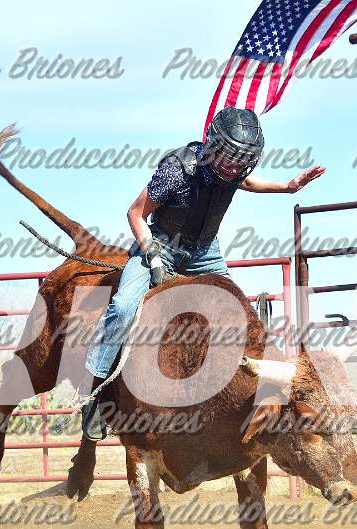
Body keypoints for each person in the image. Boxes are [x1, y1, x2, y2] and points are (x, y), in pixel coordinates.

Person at [66, 106, 325, 498]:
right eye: (228, 158)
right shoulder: (178, 169)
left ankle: (256, 393)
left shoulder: (233, 172)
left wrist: (288, 187)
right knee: (123, 306)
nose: (232, 168)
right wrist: (153, 255)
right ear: (213, 146)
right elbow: (135, 213)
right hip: (160, 245)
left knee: (240, 313)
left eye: (240, 162)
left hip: (204, 252)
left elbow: (247, 182)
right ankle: (94, 393)